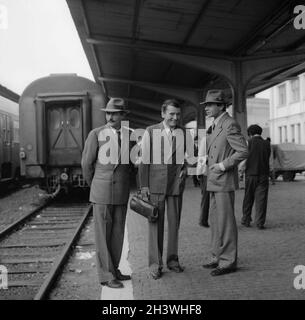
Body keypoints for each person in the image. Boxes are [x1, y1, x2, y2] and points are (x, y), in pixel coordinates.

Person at [81, 97, 135, 289]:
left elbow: (132, 166)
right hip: (101, 191)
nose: (110, 116)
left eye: (115, 113)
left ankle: (115, 269)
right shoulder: (95, 134)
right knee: (103, 235)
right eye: (108, 112)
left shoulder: (130, 135)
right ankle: (106, 275)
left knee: (118, 233)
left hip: (121, 191)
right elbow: (86, 165)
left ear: (122, 115)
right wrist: (95, 184)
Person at [139, 99, 187, 280]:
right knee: (155, 226)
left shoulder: (184, 133)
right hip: (155, 185)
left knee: (174, 225)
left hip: (175, 185)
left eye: (177, 114)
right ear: (163, 114)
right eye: (171, 114)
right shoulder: (151, 132)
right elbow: (144, 160)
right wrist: (144, 186)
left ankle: (172, 261)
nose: (175, 117)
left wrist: (185, 171)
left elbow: (188, 157)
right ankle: (154, 265)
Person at [201, 89, 248, 276]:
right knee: (215, 222)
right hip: (213, 181)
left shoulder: (229, 124)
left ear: (221, 106)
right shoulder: (215, 125)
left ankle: (228, 262)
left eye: (210, 105)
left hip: (223, 181)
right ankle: (216, 256)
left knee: (226, 223)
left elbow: (243, 151)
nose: (206, 108)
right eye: (206, 105)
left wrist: (222, 165)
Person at [241, 125, 271, 229]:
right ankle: (260, 222)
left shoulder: (248, 143)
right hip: (263, 175)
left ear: (250, 133)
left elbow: (243, 159)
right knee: (261, 200)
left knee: (248, 198)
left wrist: (241, 170)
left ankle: (246, 219)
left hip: (250, 175)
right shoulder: (267, 144)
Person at [196, 132, 210, 227]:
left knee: (206, 198)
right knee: (207, 198)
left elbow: (201, 157)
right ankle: (203, 220)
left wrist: (199, 172)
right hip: (209, 173)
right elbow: (201, 158)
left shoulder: (206, 139)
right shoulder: (206, 139)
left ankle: (203, 220)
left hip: (206, 173)